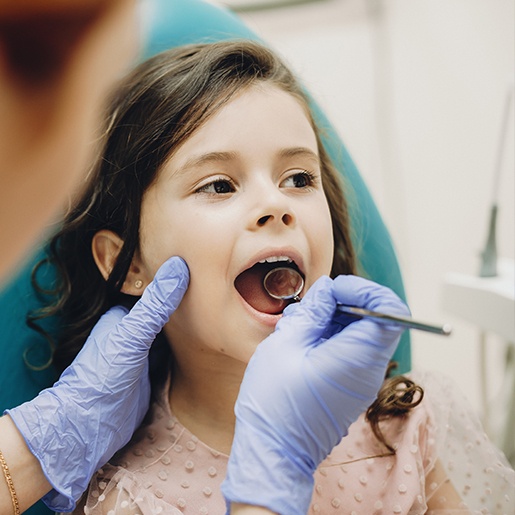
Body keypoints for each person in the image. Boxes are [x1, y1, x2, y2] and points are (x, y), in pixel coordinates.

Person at [26, 40, 514, 514]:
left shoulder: (402, 431)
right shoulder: (133, 499)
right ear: (128, 264)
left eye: (299, 179)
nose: (275, 205)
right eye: (219, 185)